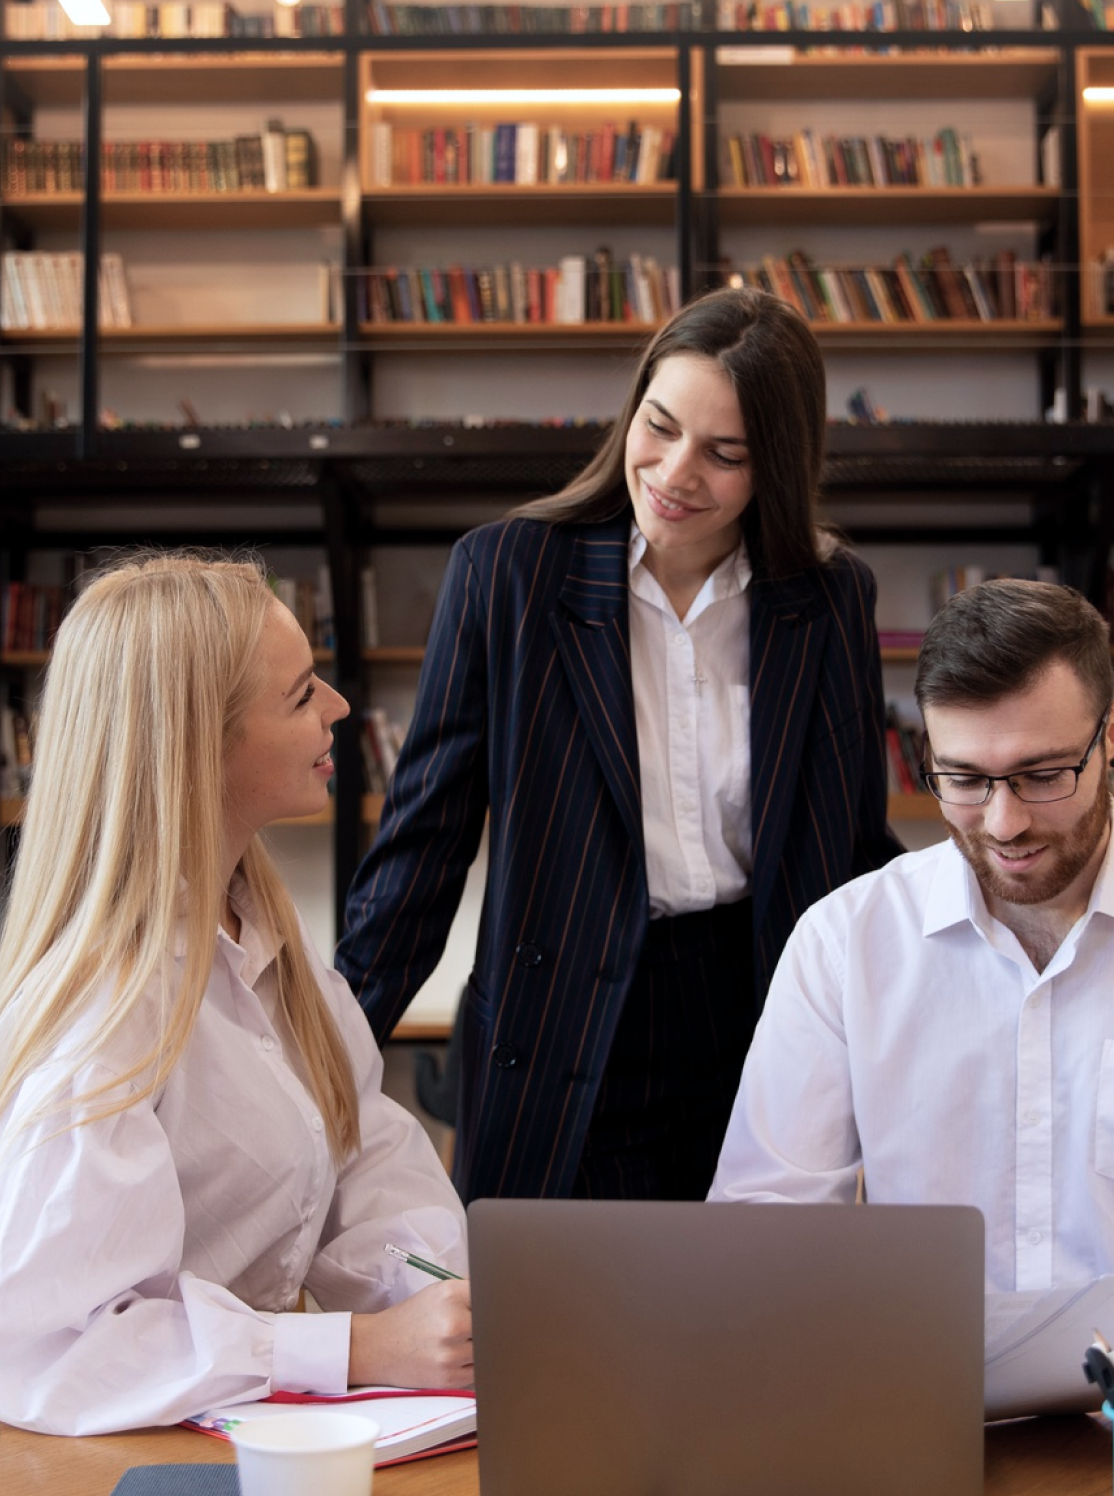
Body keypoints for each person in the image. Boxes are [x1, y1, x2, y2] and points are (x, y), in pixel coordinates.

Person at [710, 577, 1114, 1412]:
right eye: (963, 779)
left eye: (1042, 775)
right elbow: (762, 1226)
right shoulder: (843, 944)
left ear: (1113, 733)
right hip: (917, 1415)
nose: (1003, 823)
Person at [336, 286, 901, 1203]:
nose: (676, 473)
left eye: (724, 454)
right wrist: (315, 1067)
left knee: (746, 1314)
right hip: (564, 1003)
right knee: (554, 1323)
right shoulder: (508, 573)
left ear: (777, 468)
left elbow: (851, 850)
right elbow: (420, 847)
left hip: (757, 1006)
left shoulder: (829, 598)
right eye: (659, 426)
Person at [0, 553, 472, 1436]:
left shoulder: (291, 975)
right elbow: (53, 1352)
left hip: (261, 1440)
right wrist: (355, 1350)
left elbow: (376, 1179)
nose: (337, 706)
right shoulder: (103, 1016)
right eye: (301, 696)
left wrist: (440, 1300)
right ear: (195, 748)